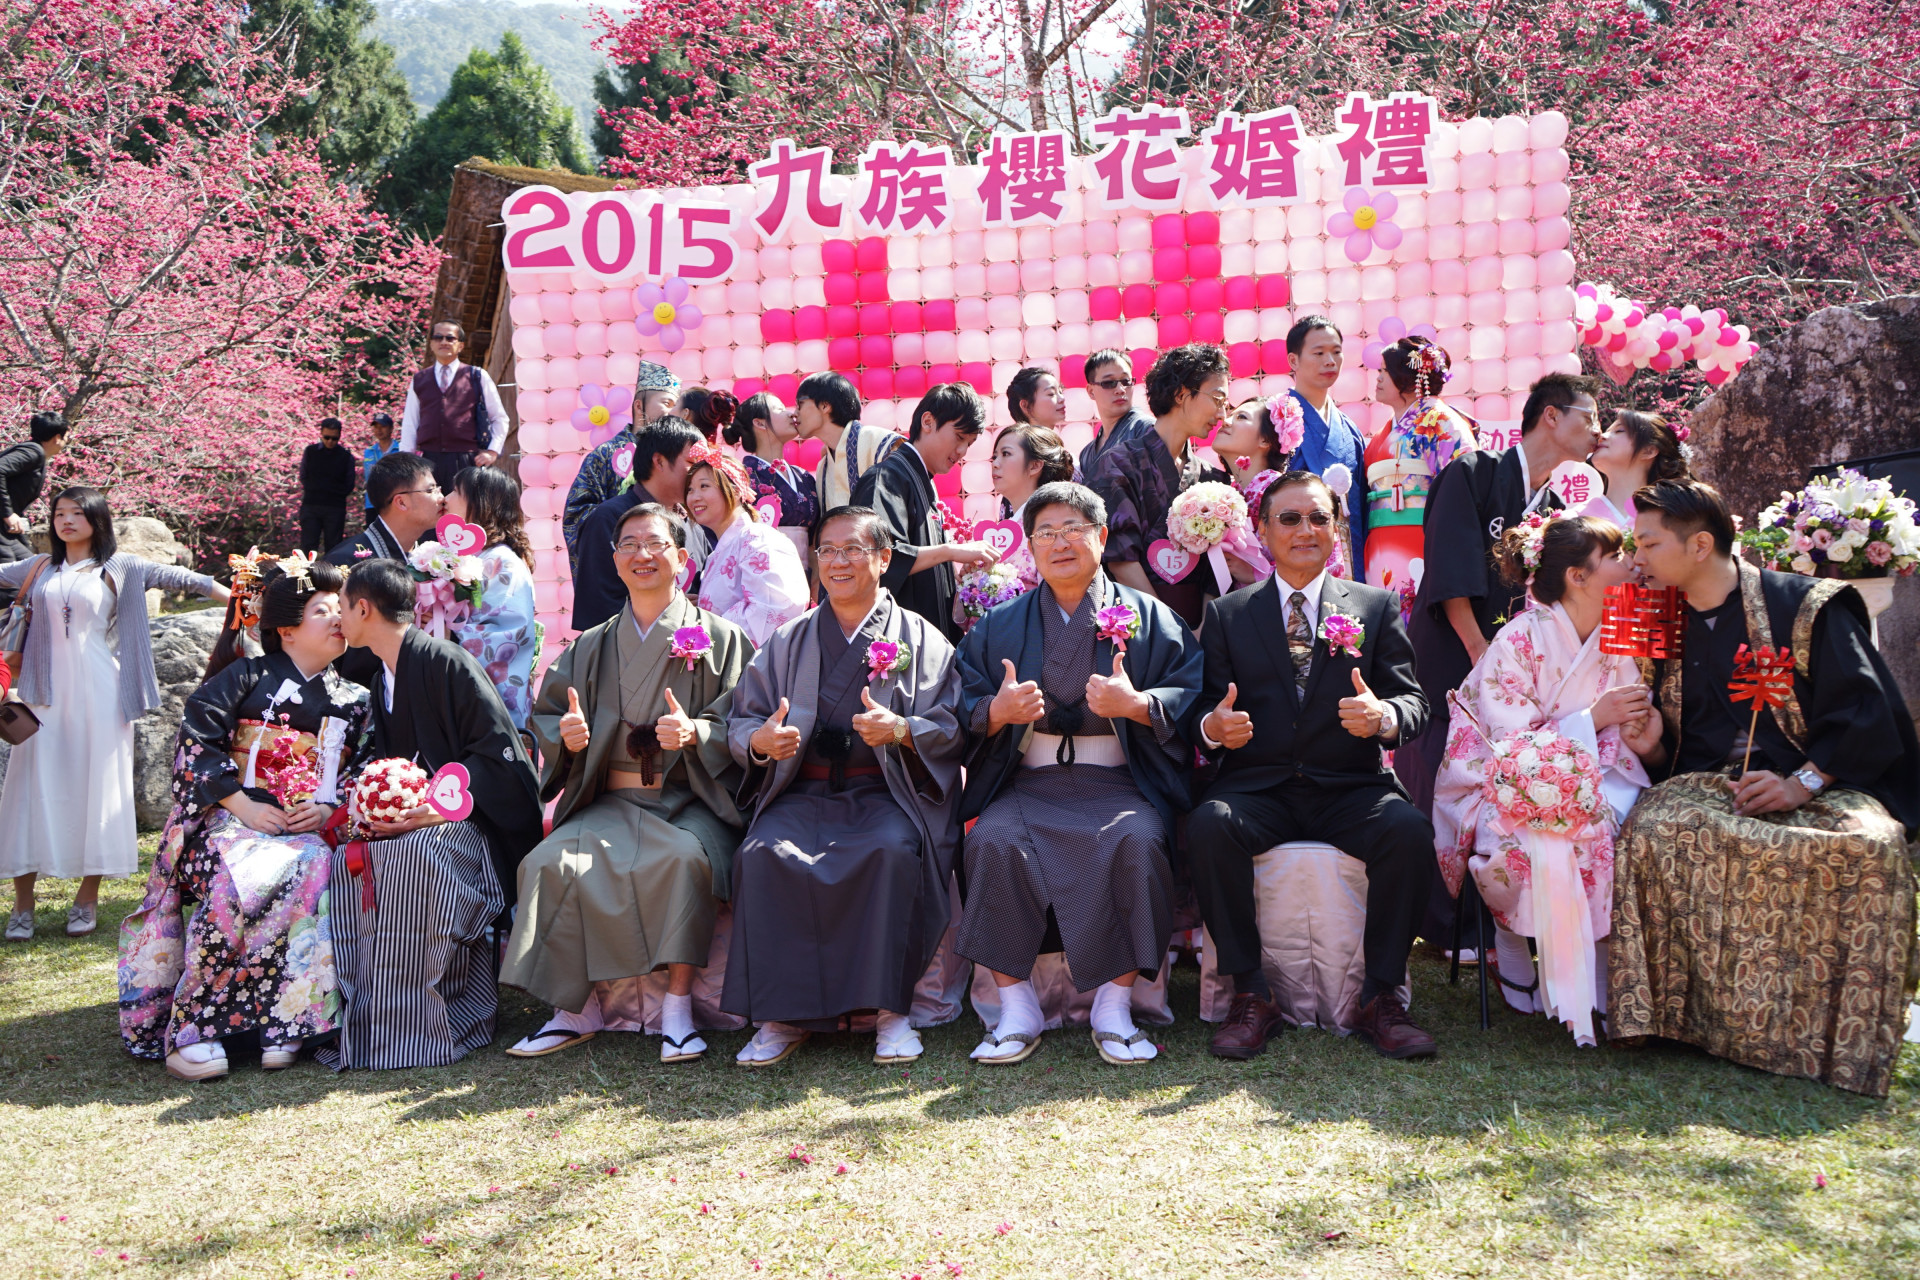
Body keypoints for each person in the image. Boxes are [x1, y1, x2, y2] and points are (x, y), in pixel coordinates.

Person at [1610, 480, 1919, 1098]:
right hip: (1700, 785)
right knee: (1653, 830)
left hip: (1815, 780)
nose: (1635, 558)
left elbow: (1869, 713)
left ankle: (1840, 1039)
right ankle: (1682, 1024)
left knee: (1873, 844)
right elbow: (1674, 744)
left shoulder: (1804, 605)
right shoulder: (1651, 615)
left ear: (1700, 545)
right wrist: (1650, 748)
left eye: (1647, 543)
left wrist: (1800, 785)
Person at [1185, 472, 1437, 1060]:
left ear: (1337, 529)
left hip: (1349, 786)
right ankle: (1252, 993)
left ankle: (1381, 998)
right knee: (1208, 824)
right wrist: (1212, 729)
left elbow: (1414, 701)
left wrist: (1383, 717)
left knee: (1409, 830)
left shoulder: (1374, 606)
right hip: (1260, 788)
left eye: (1319, 518)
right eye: (1290, 519)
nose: (1306, 530)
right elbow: (1202, 705)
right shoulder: (1228, 614)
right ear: (1264, 530)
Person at [955, 482, 1202, 1065]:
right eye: (1045, 532)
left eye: (1073, 529)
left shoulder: (1148, 617)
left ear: (1101, 536)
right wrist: (996, 713)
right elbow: (961, 698)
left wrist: (1138, 706)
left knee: (1138, 840)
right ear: (1030, 546)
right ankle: (1016, 1007)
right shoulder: (1000, 625)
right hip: (1029, 782)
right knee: (991, 840)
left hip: (1119, 782)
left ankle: (1114, 1006)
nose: (1059, 543)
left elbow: (1190, 690)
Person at [502, 504, 750, 1063]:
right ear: (614, 560)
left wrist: (697, 733)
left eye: (656, 543)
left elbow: (743, 721)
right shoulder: (590, 644)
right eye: (629, 544)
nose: (643, 554)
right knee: (548, 863)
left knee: (685, 862)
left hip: (687, 800)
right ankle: (575, 1009)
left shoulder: (721, 638)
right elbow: (547, 715)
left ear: (682, 558)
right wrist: (565, 735)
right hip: (609, 798)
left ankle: (678, 1010)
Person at [722, 506, 965, 1067]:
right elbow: (743, 721)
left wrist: (903, 730)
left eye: (853, 549)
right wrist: (763, 743)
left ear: (884, 559)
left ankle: (890, 1014)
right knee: (763, 855)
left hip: (885, 794)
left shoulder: (921, 638)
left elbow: (952, 723)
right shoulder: (790, 639)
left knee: (891, 852)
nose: (838, 562)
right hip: (802, 792)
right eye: (827, 551)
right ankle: (781, 1017)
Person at [118, 559, 371, 1080]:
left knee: (318, 869)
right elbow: (197, 741)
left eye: (339, 608)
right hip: (230, 818)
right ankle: (196, 1027)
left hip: (305, 827)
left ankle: (288, 1022)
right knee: (240, 878)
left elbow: (366, 766)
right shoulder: (245, 678)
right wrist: (240, 803)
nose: (337, 619)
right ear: (287, 629)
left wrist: (329, 807)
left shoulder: (355, 697)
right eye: (322, 610)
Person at [1432, 515, 1651, 1046]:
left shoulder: (1621, 631)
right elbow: (1506, 737)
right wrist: (1590, 720)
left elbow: (1628, 720)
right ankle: (1511, 939)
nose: (1631, 563)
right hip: (1505, 777)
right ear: (1578, 576)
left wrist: (1637, 723)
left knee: (1609, 832)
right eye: (1617, 556)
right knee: (1522, 840)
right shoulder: (1517, 639)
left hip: (1600, 770)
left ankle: (1599, 969)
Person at [319, 559, 542, 1070]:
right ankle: (378, 1018)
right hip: (419, 824)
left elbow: (499, 758)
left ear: (364, 607)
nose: (338, 621)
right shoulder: (385, 676)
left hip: (470, 826)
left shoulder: (447, 662)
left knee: (412, 859)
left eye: (342, 609)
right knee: (356, 862)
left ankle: (440, 1016)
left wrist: (433, 812)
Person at [0, 488, 229, 942]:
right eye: (59, 513)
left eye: (77, 513)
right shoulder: (39, 566)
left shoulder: (119, 566)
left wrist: (235, 596)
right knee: (29, 786)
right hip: (42, 692)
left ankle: (87, 897)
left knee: (99, 789)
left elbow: (183, 578)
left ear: (96, 519)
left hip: (102, 693)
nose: (66, 521)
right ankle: (22, 904)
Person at [1397, 372, 1600, 825]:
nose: (1597, 430)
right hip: (1455, 659)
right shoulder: (1473, 472)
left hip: (1506, 677)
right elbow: (1450, 569)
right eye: (1589, 417)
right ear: (1551, 415)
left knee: (1491, 808)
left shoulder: (1551, 508)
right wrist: (1480, 654)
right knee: (1434, 796)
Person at [1084, 343, 1228, 629]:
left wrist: (1203, 632)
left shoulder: (1213, 478)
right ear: (1181, 394)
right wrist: (1170, 630)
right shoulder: (1117, 464)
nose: (1222, 413)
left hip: (1202, 628)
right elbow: (1121, 561)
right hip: (1139, 624)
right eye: (1217, 398)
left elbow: (1217, 571)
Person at [852, 383, 1000, 642]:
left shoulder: (921, 481)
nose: (963, 451)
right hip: (897, 643)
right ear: (928, 422)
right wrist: (950, 551)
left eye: (969, 443)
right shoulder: (887, 477)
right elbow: (878, 559)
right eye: (959, 437)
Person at [1364, 337, 1479, 597]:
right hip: (1381, 536)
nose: (1378, 378)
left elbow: (1464, 488)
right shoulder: (1388, 427)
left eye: (1384, 371)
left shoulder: (1442, 421)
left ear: (1407, 376)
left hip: (1423, 538)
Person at [571, 416, 706, 634]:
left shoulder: (695, 526)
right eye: (692, 463)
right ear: (660, 461)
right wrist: (670, 614)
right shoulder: (609, 519)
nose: (699, 473)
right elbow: (597, 611)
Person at [324, 451, 444, 687]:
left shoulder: (426, 558)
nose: (441, 497)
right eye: (430, 490)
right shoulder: (347, 561)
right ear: (401, 502)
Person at [684, 442, 809, 646]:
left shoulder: (758, 538)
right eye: (690, 490)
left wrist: (706, 626)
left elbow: (776, 607)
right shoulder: (726, 547)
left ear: (734, 491)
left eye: (704, 486)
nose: (694, 497)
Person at [957, 422, 1075, 630]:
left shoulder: (1051, 527)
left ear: (1035, 466)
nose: (994, 463)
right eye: (995, 457)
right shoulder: (1007, 528)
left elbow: (1061, 600)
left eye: (1006, 454)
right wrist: (970, 580)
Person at [563, 360, 681, 567]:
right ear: (639, 405)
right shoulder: (605, 455)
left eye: (676, 407)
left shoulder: (674, 457)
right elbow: (575, 516)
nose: (672, 413)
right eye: (666, 404)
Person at [445, 467, 538, 729]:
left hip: (490, 707)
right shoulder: (473, 557)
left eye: (455, 492)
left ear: (479, 503)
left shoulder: (502, 561)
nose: (446, 498)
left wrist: (442, 633)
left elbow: (504, 639)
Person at [1283, 316, 1371, 556]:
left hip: (1350, 552)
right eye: (1319, 353)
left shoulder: (1350, 429)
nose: (1330, 361)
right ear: (1294, 360)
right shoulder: (1275, 419)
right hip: (1295, 548)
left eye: (1336, 352)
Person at [400, 321, 509, 494]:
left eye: (450, 338)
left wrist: (492, 451)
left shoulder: (477, 375)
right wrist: (407, 459)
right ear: (431, 344)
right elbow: (410, 423)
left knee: (465, 512)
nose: (443, 341)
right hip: (428, 460)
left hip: (466, 458)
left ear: (460, 345)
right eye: (438, 337)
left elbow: (499, 418)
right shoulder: (419, 379)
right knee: (432, 514)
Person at [728, 391, 820, 542]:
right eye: (780, 409)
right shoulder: (740, 478)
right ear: (760, 423)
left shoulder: (803, 477)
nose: (790, 414)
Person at [798, 371, 894, 515]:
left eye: (800, 404)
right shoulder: (823, 466)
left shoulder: (882, 443)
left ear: (825, 405)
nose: (795, 413)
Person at [0, 411, 67, 605]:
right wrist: (7, 514)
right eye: (66, 437)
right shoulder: (32, 452)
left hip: (8, 531)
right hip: (3, 526)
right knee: (13, 586)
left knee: (36, 572)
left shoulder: (33, 453)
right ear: (57, 438)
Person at [1582, 409, 1690, 526]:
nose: (1602, 436)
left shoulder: (1674, 519)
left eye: (1619, 431)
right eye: (1607, 431)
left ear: (1649, 450)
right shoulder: (1574, 516)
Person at [1077, 349, 1152, 478]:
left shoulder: (1147, 429)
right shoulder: (1086, 454)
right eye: (1108, 383)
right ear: (1091, 391)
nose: (1120, 390)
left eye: (1126, 381)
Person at [297, 417, 357, 555]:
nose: (330, 441)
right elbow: (303, 475)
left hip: (335, 507)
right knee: (308, 546)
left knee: (334, 547)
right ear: (321, 434)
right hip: (311, 505)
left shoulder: (346, 456)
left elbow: (349, 483)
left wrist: (334, 493)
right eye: (327, 437)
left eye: (334, 438)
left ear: (339, 436)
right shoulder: (310, 452)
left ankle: (330, 576)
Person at [1006, 366, 1068, 438]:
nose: (1062, 398)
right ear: (1025, 405)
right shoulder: (1020, 447)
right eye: (1051, 394)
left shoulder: (1053, 445)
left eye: (1060, 392)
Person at [362, 411, 399, 523]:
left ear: (391, 428)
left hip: (394, 503)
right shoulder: (368, 452)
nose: (379, 430)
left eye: (382, 426)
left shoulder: (400, 449)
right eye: (376, 427)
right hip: (372, 503)